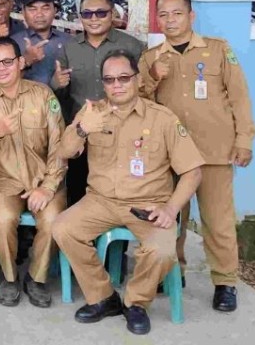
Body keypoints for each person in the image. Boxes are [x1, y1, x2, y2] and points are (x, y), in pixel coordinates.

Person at [52, 50, 204, 336]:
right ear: (103, 84)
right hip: (101, 200)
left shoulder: (162, 118)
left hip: (149, 203)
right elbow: (64, 151)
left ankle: (136, 303)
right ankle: (103, 297)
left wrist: (171, 209)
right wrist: (83, 129)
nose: (117, 85)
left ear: (136, 79)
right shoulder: (92, 113)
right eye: (109, 80)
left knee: (161, 249)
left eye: (124, 78)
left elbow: (193, 171)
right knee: (62, 228)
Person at [138, 0, 255, 312]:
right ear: (157, 19)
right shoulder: (150, 58)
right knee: (169, 218)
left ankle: (225, 282)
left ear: (191, 16)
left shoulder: (218, 50)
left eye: (177, 13)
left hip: (214, 152)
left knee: (217, 221)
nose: (170, 20)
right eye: (163, 14)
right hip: (170, 156)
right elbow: (140, 103)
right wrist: (152, 78)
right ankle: (174, 271)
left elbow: (240, 97)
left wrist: (244, 139)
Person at [0, 38, 66, 308]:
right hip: (4, 180)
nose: (2, 68)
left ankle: (36, 278)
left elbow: (59, 145)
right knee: (3, 218)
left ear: (21, 62)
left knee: (52, 218)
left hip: (44, 177)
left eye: (8, 61)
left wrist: (48, 186)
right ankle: (10, 278)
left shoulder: (43, 94)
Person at [53, 0, 145, 207]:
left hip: (120, 132)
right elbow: (59, 96)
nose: (93, 18)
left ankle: (114, 242)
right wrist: (57, 83)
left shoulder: (131, 46)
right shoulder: (69, 48)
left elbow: (141, 88)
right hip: (82, 132)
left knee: (119, 196)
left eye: (101, 13)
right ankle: (80, 241)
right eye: (87, 14)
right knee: (78, 195)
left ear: (112, 14)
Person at [11, 0, 73, 86]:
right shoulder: (13, 43)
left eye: (45, 8)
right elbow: (5, 82)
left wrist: (58, 82)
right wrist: (26, 61)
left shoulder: (68, 41)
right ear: (23, 12)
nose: (39, 14)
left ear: (55, 10)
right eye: (32, 9)